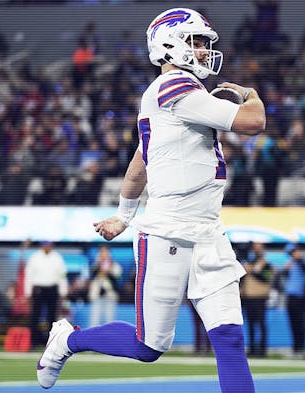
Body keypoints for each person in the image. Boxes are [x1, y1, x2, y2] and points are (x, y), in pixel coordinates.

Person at [37, 7, 265, 392]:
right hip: (168, 232)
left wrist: (123, 216)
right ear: (168, 44)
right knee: (149, 346)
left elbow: (141, 163)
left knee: (228, 338)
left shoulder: (176, 97)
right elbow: (254, 122)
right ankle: (68, 340)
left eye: (205, 43)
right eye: (196, 41)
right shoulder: (173, 86)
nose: (204, 51)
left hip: (209, 232)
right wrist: (249, 93)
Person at [24, 241, 67, 347]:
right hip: (38, 289)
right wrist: (27, 292)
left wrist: (63, 290)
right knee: (35, 316)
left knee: (52, 316)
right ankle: (34, 341)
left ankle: (50, 342)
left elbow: (62, 275)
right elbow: (28, 275)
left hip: (52, 289)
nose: (47, 247)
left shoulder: (57, 257)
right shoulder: (34, 257)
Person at [241, 242, 273, 357]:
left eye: (258, 249)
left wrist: (253, 271)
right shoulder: (249, 263)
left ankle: (263, 348)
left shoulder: (266, 264)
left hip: (260, 297)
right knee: (250, 324)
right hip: (248, 297)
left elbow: (266, 277)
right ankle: (252, 347)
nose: (256, 251)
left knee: (261, 324)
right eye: (254, 249)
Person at [87, 246, 122, 328]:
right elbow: (91, 276)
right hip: (97, 295)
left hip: (110, 295)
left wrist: (108, 271)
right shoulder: (95, 265)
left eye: (105, 252)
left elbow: (117, 279)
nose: (104, 254)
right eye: (102, 252)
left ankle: (109, 338)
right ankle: (93, 338)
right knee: (94, 319)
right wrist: (99, 266)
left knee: (109, 319)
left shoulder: (115, 266)